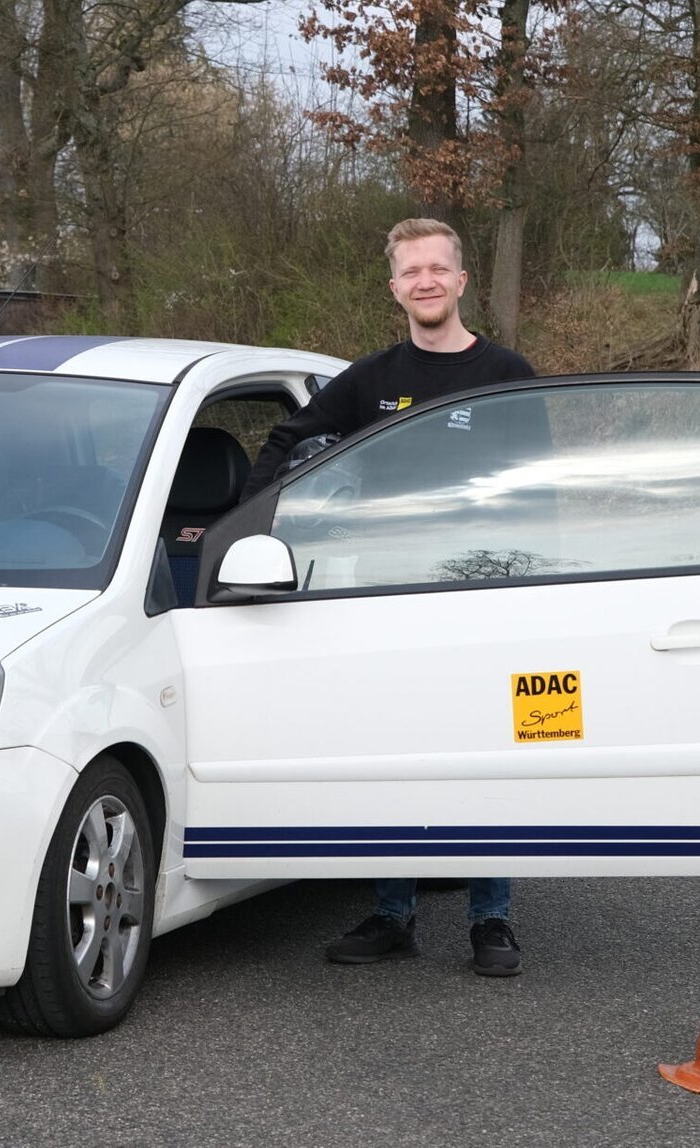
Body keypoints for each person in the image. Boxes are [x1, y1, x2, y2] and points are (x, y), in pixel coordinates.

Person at [239, 217, 534, 975]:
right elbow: (285, 444)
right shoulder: (369, 381)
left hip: (484, 593)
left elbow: (545, 491)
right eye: (412, 271)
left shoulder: (509, 376)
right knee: (394, 750)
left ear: (462, 281)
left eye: (439, 268)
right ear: (395, 287)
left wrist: (543, 588)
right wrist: (244, 520)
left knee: (481, 758)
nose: (426, 281)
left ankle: (491, 918)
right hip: (388, 600)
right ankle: (393, 913)